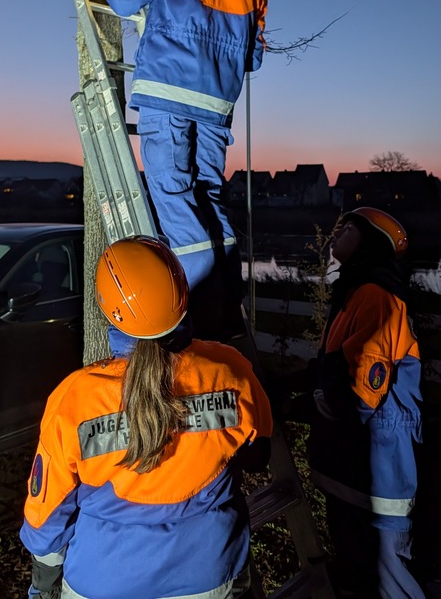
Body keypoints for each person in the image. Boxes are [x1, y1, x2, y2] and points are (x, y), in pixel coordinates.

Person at [20, 235, 273, 599]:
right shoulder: (231, 370)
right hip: (211, 574)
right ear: (180, 291)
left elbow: (47, 517)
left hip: (104, 582)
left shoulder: (75, 398)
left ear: (107, 306)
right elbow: (258, 455)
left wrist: (43, 584)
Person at [104, 0, 267, 339]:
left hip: (167, 89)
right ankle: (226, 299)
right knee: (207, 194)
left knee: (172, 193)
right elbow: (254, 58)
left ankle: (195, 308)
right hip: (216, 103)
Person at [307, 207, 426, 599]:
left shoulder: (378, 297)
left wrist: (315, 401)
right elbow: (332, 367)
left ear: (371, 243)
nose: (337, 233)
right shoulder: (354, 292)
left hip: (379, 470)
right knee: (358, 572)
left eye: (348, 228)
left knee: (389, 580)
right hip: (354, 467)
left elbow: (360, 395)